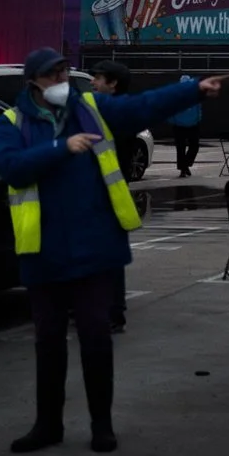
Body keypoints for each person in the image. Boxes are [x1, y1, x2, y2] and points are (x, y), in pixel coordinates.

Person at [0, 47, 226, 453]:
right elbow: (11, 167)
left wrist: (193, 92)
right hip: (43, 251)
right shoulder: (11, 123)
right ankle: (48, 425)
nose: (63, 81)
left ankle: (102, 425)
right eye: (53, 75)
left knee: (96, 337)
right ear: (34, 82)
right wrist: (61, 148)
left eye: (65, 72)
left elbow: (141, 107)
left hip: (95, 246)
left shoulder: (92, 109)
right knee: (48, 341)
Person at [89, 60, 138, 334]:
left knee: (108, 255)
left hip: (110, 194)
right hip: (101, 192)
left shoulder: (118, 114)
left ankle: (113, 311)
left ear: (113, 84)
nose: (93, 82)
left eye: (98, 78)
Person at [167, 82, 205, 177]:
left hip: (180, 125)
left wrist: (173, 121)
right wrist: (198, 119)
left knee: (182, 148)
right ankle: (185, 166)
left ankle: (183, 167)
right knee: (192, 146)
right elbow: (198, 109)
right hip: (190, 124)